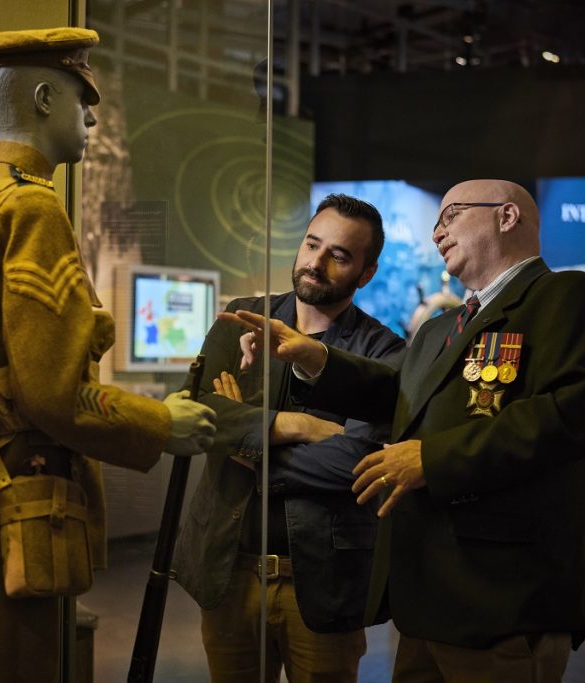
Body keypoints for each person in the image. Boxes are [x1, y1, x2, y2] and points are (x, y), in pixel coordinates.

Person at [222, 179, 585, 682]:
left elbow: (569, 417)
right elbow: (398, 394)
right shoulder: (442, 328)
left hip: (503, 602)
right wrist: (315, 357)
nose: (437, 232)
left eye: (451, 215)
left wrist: (429, 459)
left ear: (506, 216)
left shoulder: (569, 297)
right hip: (425, 605)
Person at [0, 27, 217, 682]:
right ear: (45, 97)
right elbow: (49, 394)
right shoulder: (30, 210)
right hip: (11, 510)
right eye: (83, 96)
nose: (92, 116)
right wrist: (163, 425)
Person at [173, 194, 405, 682]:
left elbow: (356, 462)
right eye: (312, 244)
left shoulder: (382, 351)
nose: (315, 263)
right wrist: (296, 427)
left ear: (366, 273)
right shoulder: (242, 318)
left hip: (321, 583)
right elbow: (196, 414)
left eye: (338, 255)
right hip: (229, 572)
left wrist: (246, 438)